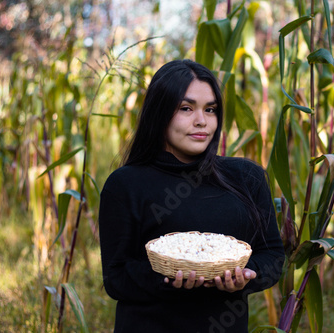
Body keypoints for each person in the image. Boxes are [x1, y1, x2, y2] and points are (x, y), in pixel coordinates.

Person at [98, 59, 285, 333]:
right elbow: (116, 278)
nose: (201, 121)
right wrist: (167, 278)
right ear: (159, 113)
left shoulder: (246, 177)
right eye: (186, 108)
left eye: (210, 110)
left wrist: (244, 276)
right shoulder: (125, 184)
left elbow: (273, 258)